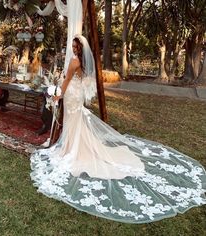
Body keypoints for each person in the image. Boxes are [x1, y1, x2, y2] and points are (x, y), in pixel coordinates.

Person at [30, 35, 206, 224]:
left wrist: (57, 95)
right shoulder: (83, 62)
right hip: (78, 94)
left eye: (75, 46)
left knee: (74, 122)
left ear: (80, 49)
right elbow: (80, 80)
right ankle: (74, 146)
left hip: (72, 95)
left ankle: (72, 150)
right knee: (76, 123)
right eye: (72, 46)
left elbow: (65, 83)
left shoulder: (74, 61)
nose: (73, 49)